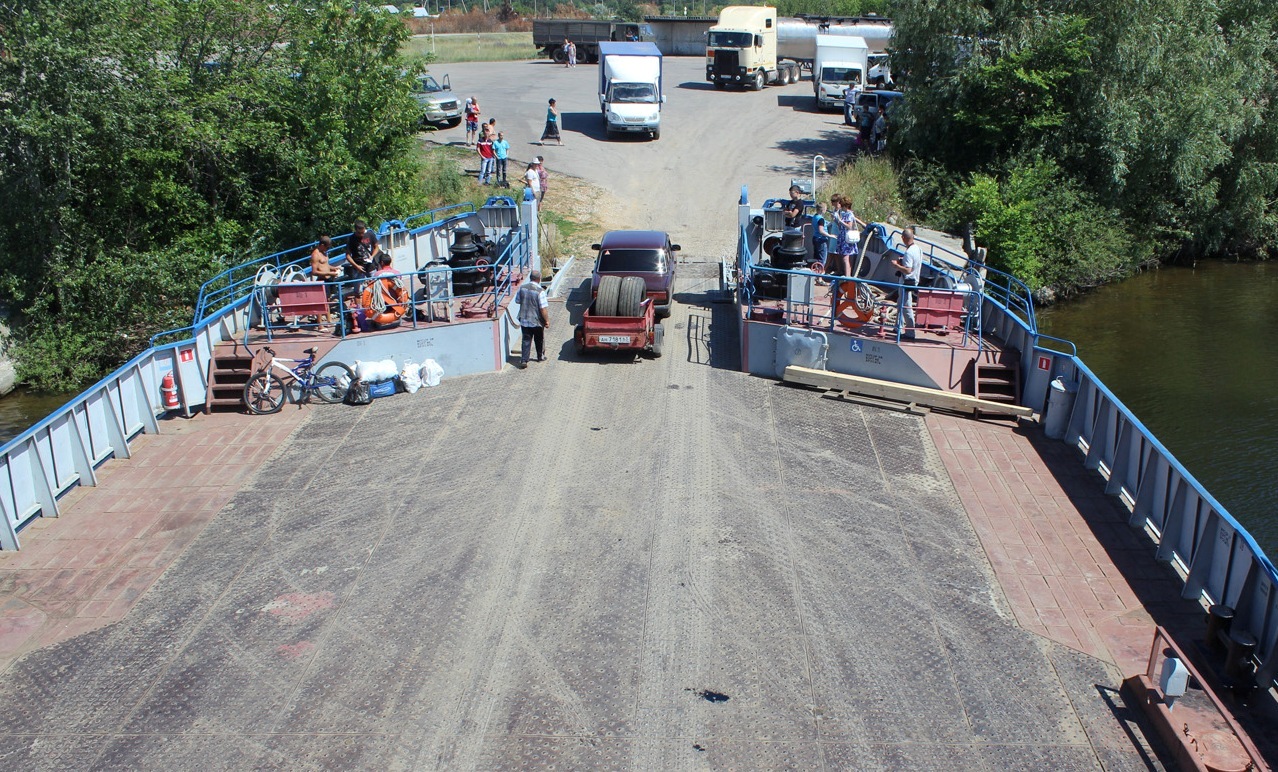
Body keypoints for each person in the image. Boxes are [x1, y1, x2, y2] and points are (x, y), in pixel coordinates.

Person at [360, 253, 408, 330]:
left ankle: (378, 318)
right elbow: (401, 288)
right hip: (396, 304)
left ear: (381, 263)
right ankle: (396, 315)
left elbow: (372, 287)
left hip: (381, 305)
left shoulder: (377, 274)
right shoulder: (397, 273)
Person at [889, 226, 922, 339]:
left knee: (906, 306)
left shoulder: (908, 253)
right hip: (914, 280)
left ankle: (910, 332)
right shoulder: (917, 249)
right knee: (900, 302)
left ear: (903, 238)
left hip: (907, 281)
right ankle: (898, 325)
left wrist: (896, 265)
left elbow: (908, 270)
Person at [515, 270, 550, 368]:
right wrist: (547, 320)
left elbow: (517, 301)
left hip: (524, 319)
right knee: (539, 339)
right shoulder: (540, 291)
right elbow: (543, 308)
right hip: (536, 321)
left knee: (526, 339)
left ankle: (524, 360)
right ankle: (540, 357)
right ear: (539, 279)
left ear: (530, 277)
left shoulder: (522, 288)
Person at [309, 235, 341, 332]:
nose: (328, 249)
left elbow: (325, 265)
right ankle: (320, 325)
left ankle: (329, 320)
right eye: (327, 247)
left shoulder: (324, 253)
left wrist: (334, 268)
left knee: (327, 300)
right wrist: (329, 273)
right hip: (321, 280)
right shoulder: (315, 254)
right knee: (320, 302)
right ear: (322, 245)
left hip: (328, 280)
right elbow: (314, 271)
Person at [831, 194, 858, 280]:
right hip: (843, 237)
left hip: (847, 238)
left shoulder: (849, 214)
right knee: (844, 258)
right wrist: (836, 220)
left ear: (846, 206)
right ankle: (847, 276)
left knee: (846, 258)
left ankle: (847, 278)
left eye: (842, 205)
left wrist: (840, 220)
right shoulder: (845, 214)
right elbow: (841, 226)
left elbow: (849, 226)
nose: (841, 207)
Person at [811, 203, 832, 284]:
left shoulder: (815, 217)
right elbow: (821, 230)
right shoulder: (821, 219)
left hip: (815, 238)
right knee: (822, 259)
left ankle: (816, 275)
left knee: (816, 258)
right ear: (823, 210)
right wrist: (830, 235)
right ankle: (819, 278)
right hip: (821, 240)